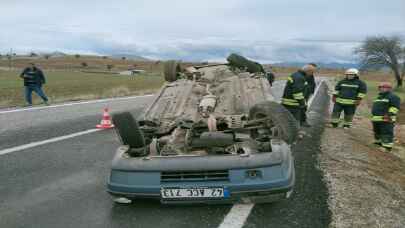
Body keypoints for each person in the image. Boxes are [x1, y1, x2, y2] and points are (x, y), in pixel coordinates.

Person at [371, 82, 401, 151]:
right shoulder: (378, 97)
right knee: (377, 131)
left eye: (384, 87)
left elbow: (395, 107)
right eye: (381, 87)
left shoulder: (393, 97)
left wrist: (389, 114)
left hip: (387, 119)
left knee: (386, 132)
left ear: (389, 89)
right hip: (376, 119)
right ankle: (378, 143)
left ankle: (387, 147)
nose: (382, 89)